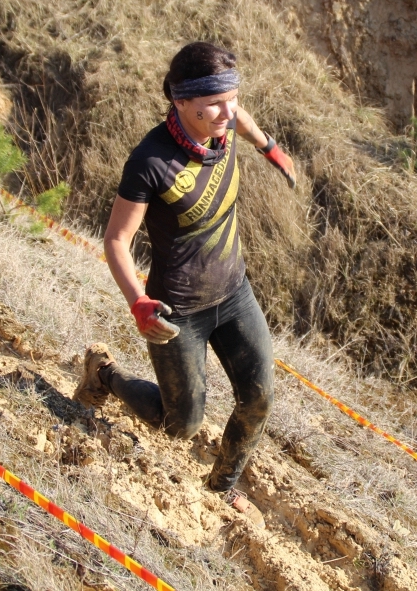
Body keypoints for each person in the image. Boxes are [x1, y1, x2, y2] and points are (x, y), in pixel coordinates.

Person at [72, 41, 296, 523]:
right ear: (181, 101)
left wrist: (269, 147)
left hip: (234, 293)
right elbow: (116, 240)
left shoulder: (223, 122)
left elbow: (238, 117)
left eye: (232, 99)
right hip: (179, 313)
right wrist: (138, 302)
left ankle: (221, 487)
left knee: (258, 399)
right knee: (181, 425)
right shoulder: (151, 161)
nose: (227, 113)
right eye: (213, 104)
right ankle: (104, 374)